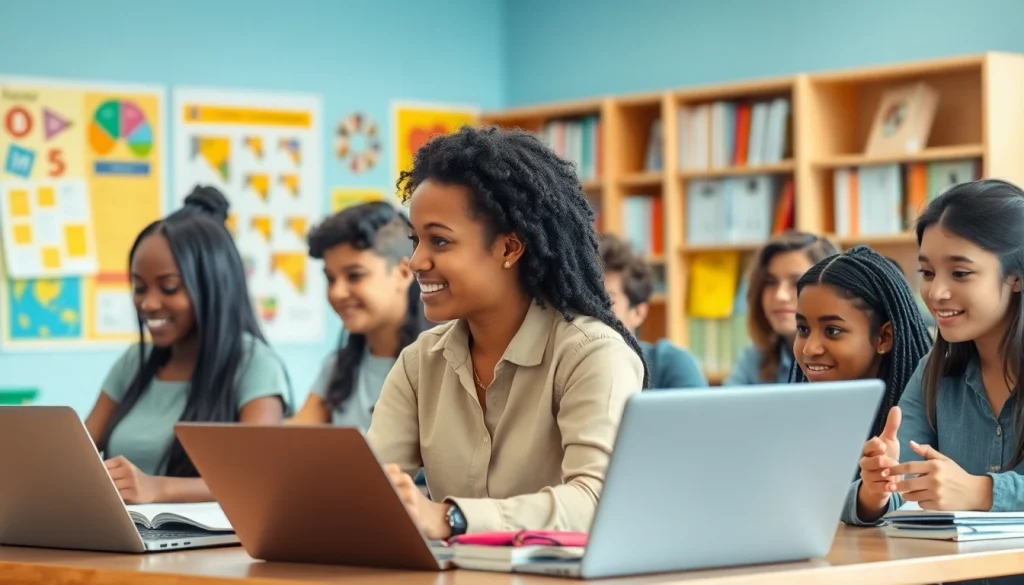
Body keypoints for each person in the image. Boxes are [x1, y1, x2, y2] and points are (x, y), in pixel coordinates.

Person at [367, 125, 647, 540]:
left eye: (439, 241)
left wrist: (451, 518)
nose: (416, 262)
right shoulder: (420, 362)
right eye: (416, 240)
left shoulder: (593, 354)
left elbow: (596, 501)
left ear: (510, 248)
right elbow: (370, 490)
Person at [84, 186, 292, 504]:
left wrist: (158, 488)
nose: (148, 304)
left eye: (169, 288)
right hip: (125, 528)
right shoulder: (135, 361)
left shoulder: (256, 365)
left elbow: (257, 478)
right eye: (139, 288)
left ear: (213, 287)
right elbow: (79, 452)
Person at [846, 179, 1024, 536]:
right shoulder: (934, 370)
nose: (937, 292)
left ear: (1016, 276)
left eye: (960, 273)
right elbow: (897, 485)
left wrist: (981, 491)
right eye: (927, 273)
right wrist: (876, 490)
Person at [290, 201, 428, 429]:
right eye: (330, 278)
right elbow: (291, 438)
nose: (337, 292)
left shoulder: (444, 363)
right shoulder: (338, 369)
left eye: (355, 275)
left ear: (403, 273)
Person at [791, 245, 933, 442]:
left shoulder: (929, 423)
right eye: (803, 329)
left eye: (832, 331)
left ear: (884, 338)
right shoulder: (797, 425)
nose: (809, 348)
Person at [724, 231, 838, 385]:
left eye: (796, 282)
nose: (780, 295)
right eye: (771, 282)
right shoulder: (755, 359)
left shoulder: (853, 355)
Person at [599, 233, 706, 388]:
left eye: (606, 301)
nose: (590, 312)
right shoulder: (568, 368)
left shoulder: (671, 365)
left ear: (638, 312)